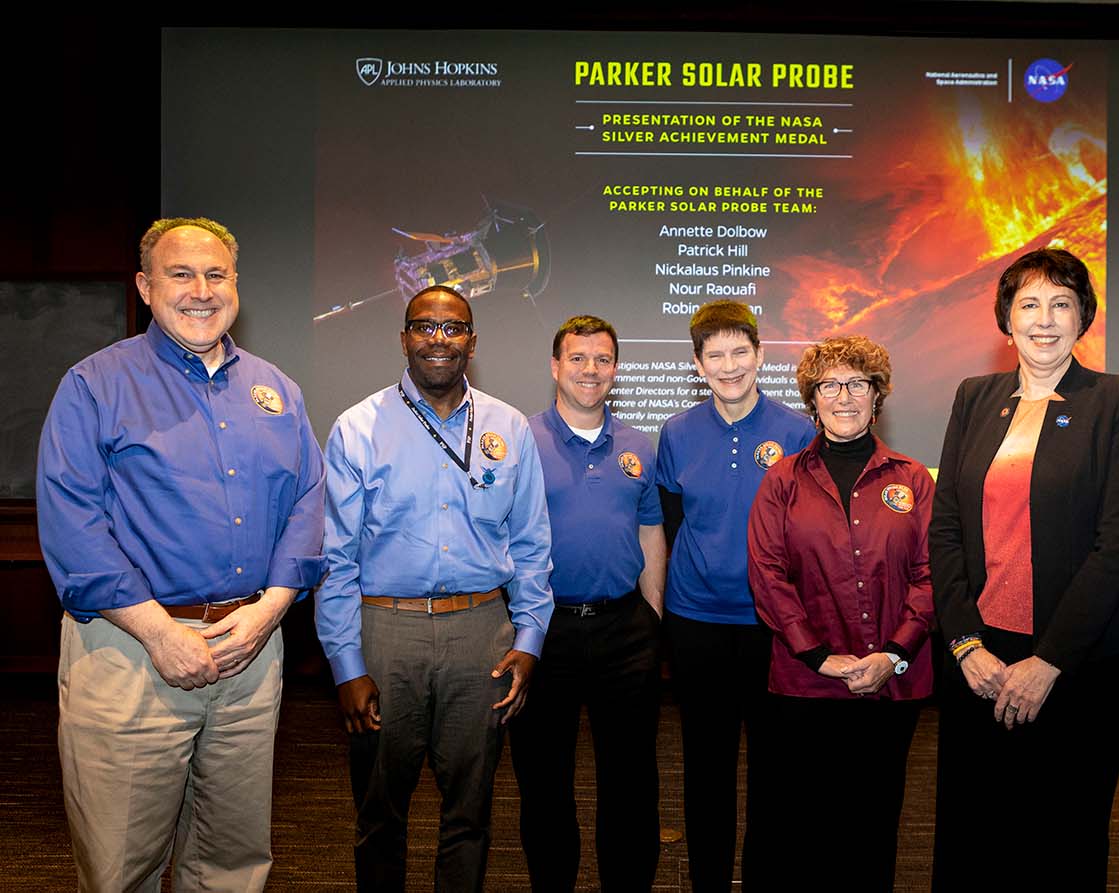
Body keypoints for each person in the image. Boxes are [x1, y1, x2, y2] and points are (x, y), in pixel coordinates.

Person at [36, 217, 326, 891]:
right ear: (144, 286)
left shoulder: (278, 390)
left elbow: (311, 507)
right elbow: (73, 526)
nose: (202, 290)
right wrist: (160, 632)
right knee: (120, 868)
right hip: (130, 652)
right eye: (181, 274)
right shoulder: (94, 385)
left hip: (251, 651)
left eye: (216, 274)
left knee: (230, 864)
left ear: (236, 287)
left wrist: (269, 612)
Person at [314, 285, 553, 891]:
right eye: (425, 327)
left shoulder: (509, 427)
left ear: (472, 342)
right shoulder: (357, 428)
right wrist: (346, 666)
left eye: (453, 329)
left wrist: (529, 639)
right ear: (404, 339)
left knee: (470, 813)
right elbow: (336, 558)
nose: (438, 340)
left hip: (482, 634)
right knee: (380, 812)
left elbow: (530, 544)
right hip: (385, 633)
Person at [929, 247, 1119, 890]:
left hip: (1073, 665)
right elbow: (944, 529)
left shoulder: (1117, 400)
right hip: (981, 662)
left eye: (1062, 304)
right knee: (976, 837)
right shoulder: (975, 396)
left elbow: (1118, 542)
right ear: (1006, 318)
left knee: (1064, 840)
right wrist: (965, 645)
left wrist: (1050, 659)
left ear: (1084, 317)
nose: (1044, 319)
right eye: (1029, 304)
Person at [747, 335, 934, 891]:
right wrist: (819, 656)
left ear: (878, 396)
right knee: (805, 825)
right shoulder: (782, 480)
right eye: (830, 385)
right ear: (813, 398)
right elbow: (767, 573)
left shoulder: (914, 479)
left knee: (875, 822)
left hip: (891, 684)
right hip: (807, 683)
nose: (844, 396)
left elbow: (931, 577)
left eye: (858, 383)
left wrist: (893, 654)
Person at [656, 299, 814, 891]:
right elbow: (672, 526)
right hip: (696, 624)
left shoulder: (797, 431)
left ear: (759, 356)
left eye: (739, 353)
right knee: (707, 768)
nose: (728, 366)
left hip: (772, 628)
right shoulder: (676, 432)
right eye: (715, 355)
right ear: (698, 364)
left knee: (775, 771)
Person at [511, 315, 668, 892]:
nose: (590, 370)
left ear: (616, 370)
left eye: (602, 359)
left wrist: (652, 620)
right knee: (544, 779)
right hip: (543, 635)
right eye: (578, 358)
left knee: (631, 780)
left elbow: (651, 531)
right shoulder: (520, 440)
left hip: (625, 630)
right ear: (555, 366)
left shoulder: (636, 445)